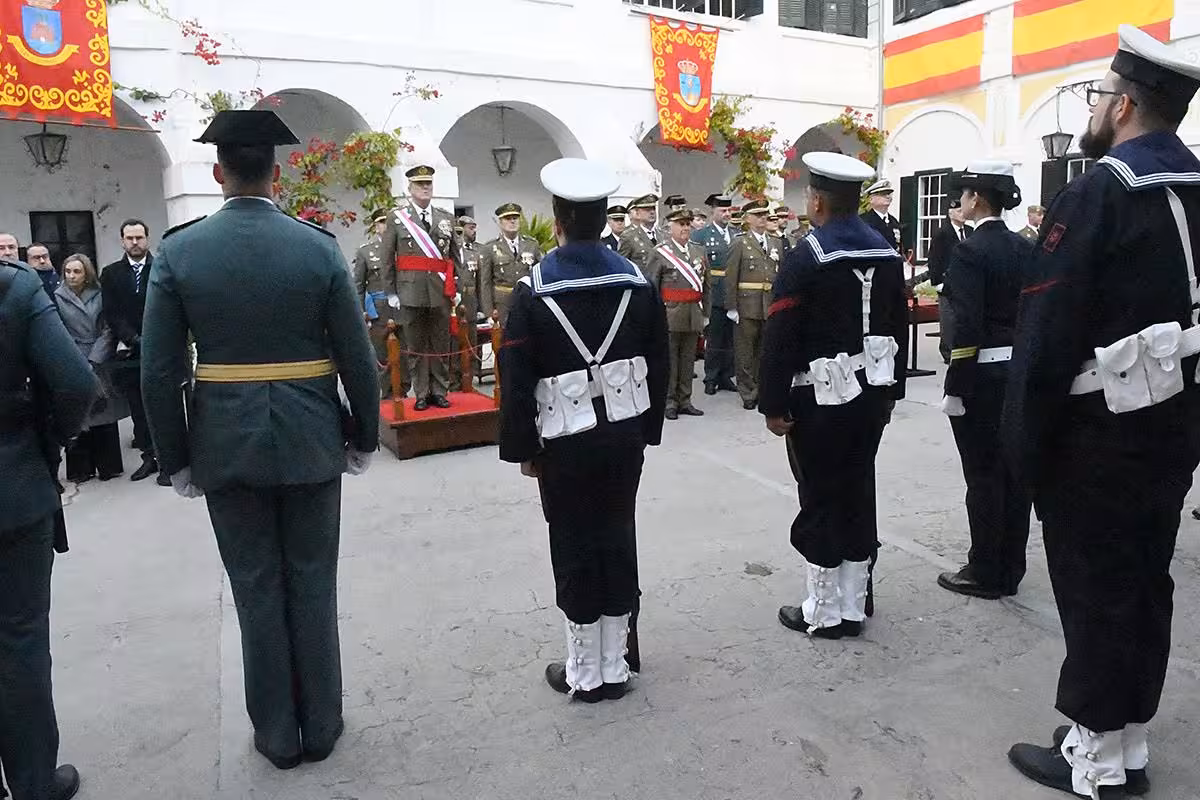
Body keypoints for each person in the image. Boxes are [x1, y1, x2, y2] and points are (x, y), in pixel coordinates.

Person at [139, 109, 380, 770]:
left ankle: (277, 734)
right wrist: (363, 434)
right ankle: (322, 724)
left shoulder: (179, 251)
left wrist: (176, 458)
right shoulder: (317, 246)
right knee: (312, 582)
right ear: (278, 173)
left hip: (224, 440)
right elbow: (358, 359)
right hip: (309, 436)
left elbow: (158, 371)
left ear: (218, 174)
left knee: (255, 588)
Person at [1003, 27, 1200, 798]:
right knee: (1145, 583)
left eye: (1096, 98)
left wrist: (1019, 448)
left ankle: (1093, 763)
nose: (1091, 111)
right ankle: (1127, 739)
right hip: (1174, 424)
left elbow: (1045, 333)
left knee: (1093, 591)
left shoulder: (1098, 191)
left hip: (1098, 430)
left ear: (1122, 107)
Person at [499, 157, 668, 702]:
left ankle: (585, 672)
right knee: (617, 535)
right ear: (602, 218)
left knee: (572, 543)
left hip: (564, 439)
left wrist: (523, 447)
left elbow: (516, 375)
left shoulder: (534, 289)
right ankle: (615, 665)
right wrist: (649, 428)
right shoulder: (637, 283)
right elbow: (660, 360)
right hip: (623, 433)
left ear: (559, 217)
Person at [759, 152, 908, 640]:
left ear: (818, 201)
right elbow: (898, 324)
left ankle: (823, 611)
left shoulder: (806, 255)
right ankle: (852, 603)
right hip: (871, 394)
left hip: (819, 398)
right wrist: (892, 391)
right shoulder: (885, 250)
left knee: (821, 494)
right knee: (858, 490)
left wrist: (774, 403)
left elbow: (781, 334)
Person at [0, 255, 96, 800]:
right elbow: (73, 382)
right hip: (12, 486)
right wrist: (47, 445)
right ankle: (35, 783)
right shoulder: (13, 287)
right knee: (19, 640)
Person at [933, 162, 1032, 600]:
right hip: (1018, 373)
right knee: (1014, 475)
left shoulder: (971, 251)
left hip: (983, 376)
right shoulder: (1024, 248)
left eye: (966, 194)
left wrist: (956, 384)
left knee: (984, 476)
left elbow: (965, 325)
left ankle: (985, 570)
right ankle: (1011, 566)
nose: (962, 201)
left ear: (977, 199)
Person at [381, 165, 461, 411]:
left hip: (440, 291)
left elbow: (455, 256)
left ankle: (440, 390)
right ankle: (421, 393)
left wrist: (456, 285)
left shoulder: (445, 218)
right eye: (420, 185)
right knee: (415, 346)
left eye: (428, 184)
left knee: (439, 343)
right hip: (410, 290)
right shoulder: (397, 218)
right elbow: (387, 257)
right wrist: (391, 291)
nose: (425, 189)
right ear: (410, 188)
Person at [101, 218, 169, 485]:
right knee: (138, 409)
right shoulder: (111, 273)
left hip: (161, 350)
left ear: (147, 239)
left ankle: (169, 461)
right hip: (131, 353)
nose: (135, 242)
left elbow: (169, 307)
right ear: (122, 241)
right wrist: (133, 339)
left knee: (164, 406)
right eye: (129, 238)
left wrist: (156, 339)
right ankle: (149, 456)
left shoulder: (161, 268)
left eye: (139, 237)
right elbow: (112, 313)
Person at [55, 254, 128, 483]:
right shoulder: (57, 298)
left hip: (99, 357)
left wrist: (96, 357)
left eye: (77, 271)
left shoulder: (99, 295)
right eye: (68, 271)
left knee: (103, 410)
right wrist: (73, 358)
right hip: (72, 357)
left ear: (86, 273)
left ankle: (109, 466)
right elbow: (56, 330)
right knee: (77, 414)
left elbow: (108, 328)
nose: (72, 276)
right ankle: (80, 469)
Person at [646, 207, 708, 420]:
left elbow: (705, 285)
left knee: (688, 359)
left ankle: (685, 399)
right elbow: (652, 287)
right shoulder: (660, 252)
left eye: (687, 224)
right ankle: (670, 401)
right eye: (681, 224)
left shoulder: (699, 251)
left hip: (693, 313)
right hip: (670, 313)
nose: (685, 228)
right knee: (670, 360)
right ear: (669, 227)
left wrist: (705, 313)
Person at [722, 199, 782, 410]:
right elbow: (730, 276)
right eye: (758, 215)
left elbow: (779, 274)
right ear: (747, 219)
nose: (763, 219)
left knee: (765, 351)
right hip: (746, 304)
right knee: (745, 351)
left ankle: (762, 388)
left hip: (769, 304)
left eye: (765, 215)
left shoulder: (775, 242)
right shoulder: (740, 242)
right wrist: (731, 306)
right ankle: (748, 392)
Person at [694, 194, 737, 396]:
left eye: (729, 210)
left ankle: (726, 375)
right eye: (722, 211)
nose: (726, 214)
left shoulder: (737, 234)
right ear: (713, 212)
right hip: (715, 290)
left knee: (730, 338)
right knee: (715, 337)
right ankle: (711, 377)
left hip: (733, 292)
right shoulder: (702, 235)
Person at [353, 210, 399, 398]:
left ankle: (402, 389)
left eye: (388, 223)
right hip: (379, 308)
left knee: (403, 351)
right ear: (375, 227)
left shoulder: (401, 249)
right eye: (381, 223)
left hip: (401, 307)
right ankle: (387, 393)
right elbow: (358, 285)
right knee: (382, 353)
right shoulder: (366, 252)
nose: (385, 226)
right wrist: (362, 311)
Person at [479, 202, 543, 326]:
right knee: (505, 340)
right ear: (500, 222)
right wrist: (489, 311)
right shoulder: (490, 247)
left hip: (527, 299)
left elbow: (538, 274)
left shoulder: (531, 245)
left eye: (515, 218)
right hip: (502, 304)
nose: (512, 222)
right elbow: (485, 281)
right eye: (508, 219)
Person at [926, 199, 972, 364]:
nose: (962, 214)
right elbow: (934, 259)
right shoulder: (942, 233)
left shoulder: (970, 231)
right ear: (950, 213)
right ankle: (947, 351)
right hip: (947, 282)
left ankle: (962, 350)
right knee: (948, 319)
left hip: (965, 283)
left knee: (963, 318)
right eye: (958, 211)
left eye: (962, 210)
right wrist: (938, 282)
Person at [450, 215, 483, 393]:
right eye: (470, 228)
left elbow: (479, 282)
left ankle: (468, 384)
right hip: (452, 304)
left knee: (471, 345)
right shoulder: (449, 251)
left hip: (470, 304)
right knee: (453, 347)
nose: (473, 231)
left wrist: (481, 308)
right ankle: (454, 384)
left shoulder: (475, 252)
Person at [617, 194, 659, 270]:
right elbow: (621, 265)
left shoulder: (664, 235)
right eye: (647, 209)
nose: (652, 212)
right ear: (638, 213)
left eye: (653, 208)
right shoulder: (628, 237)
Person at [861, 179, 903, 254]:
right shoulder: (863, 221)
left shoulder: (894, 221)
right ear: (871, 199)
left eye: (889, 193)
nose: (887, 196)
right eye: (883, 194)